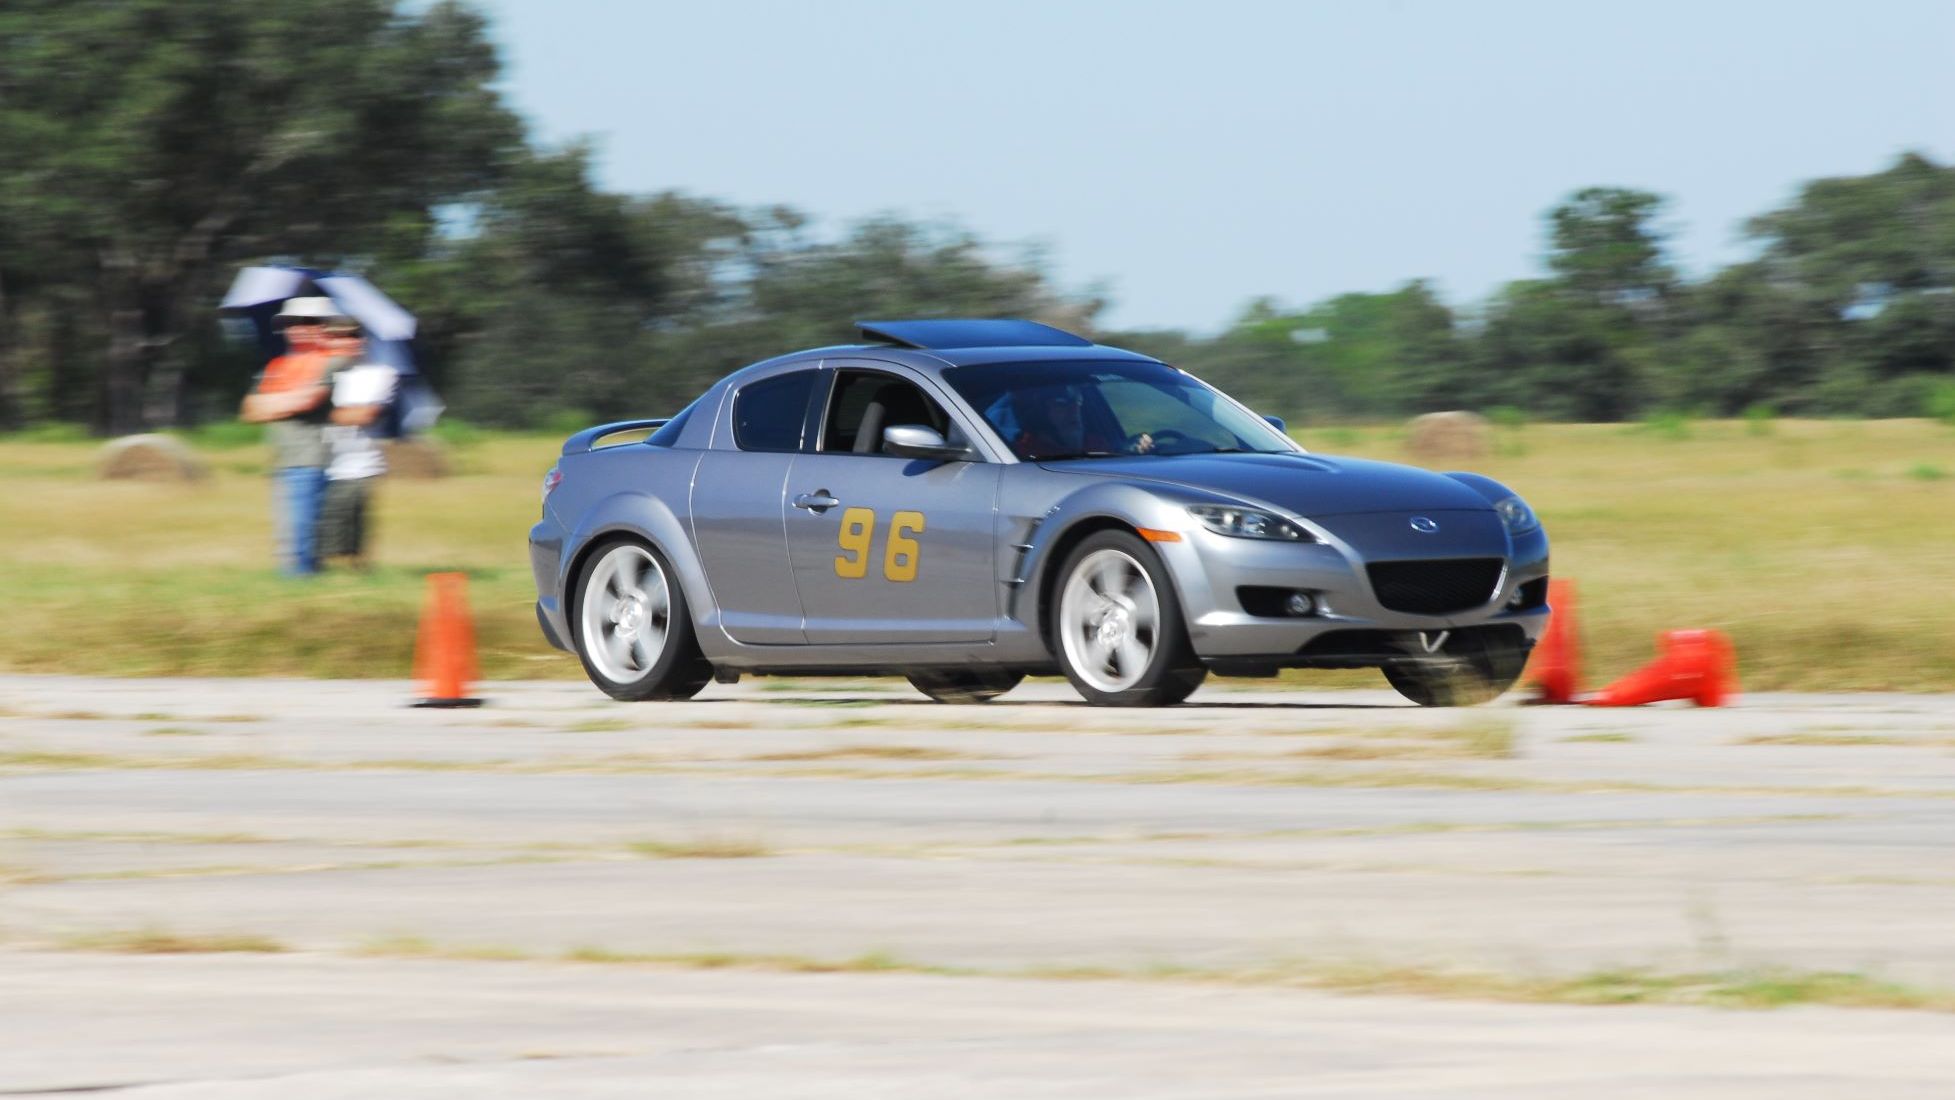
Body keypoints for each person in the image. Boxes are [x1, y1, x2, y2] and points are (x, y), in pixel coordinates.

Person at [240, 296, 341, 575]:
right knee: (289, 536)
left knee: (302, 536)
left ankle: (301, 585)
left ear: (325, 326)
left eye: (309, 321)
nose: (298, 327)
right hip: (284, 460)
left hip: (314, 458)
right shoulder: (276, 366)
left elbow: (308, 400)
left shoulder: (333, 362)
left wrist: (272, 402)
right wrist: (289, 400)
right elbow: (249, 410)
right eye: (291, 321)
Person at [318, 319, 399, 570]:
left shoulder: (378, 374)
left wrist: (319, 409)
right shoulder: (319, 370)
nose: (343, 342)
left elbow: (365, 415)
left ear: (362, 341)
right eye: (335, 337)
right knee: (323, 524)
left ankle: (354, 568)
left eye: (350, 336)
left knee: (351, 520)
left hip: (358, 463)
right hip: (319, 459)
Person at [1002, 384, 1153, 459]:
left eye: (1078, 401)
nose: (1074, 410)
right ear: (1041, 413)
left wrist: (1132, 452)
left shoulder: (1096, 443)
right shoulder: (1023, 453)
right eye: (1061, 404)